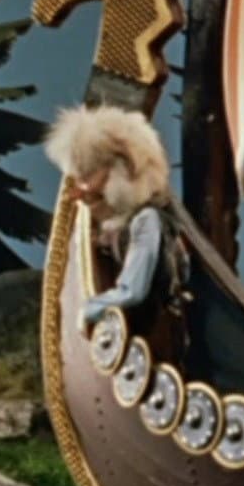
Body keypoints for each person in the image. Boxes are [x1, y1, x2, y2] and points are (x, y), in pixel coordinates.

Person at [43, 104, 190, 358]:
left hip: (155, 342)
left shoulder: (147, 221)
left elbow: (132, 291)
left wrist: (89, 307)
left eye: (89, 174)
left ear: (123, 168)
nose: (82, 189)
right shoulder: (130, 222)